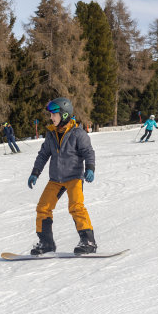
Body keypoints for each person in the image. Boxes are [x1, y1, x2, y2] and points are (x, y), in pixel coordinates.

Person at [27, 97, 96, 255]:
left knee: (76, 206)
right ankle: (46, 243)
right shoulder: (51, 133)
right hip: (56, 179)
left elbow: (88, 152)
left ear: (64, 115)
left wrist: (90, 168)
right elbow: (43, 154)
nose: (51, 118)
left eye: (54, 114)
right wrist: (35, 173)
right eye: (51, 115)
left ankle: (88, 241)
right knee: (43, 208)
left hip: (74, 177)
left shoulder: (78, 134)